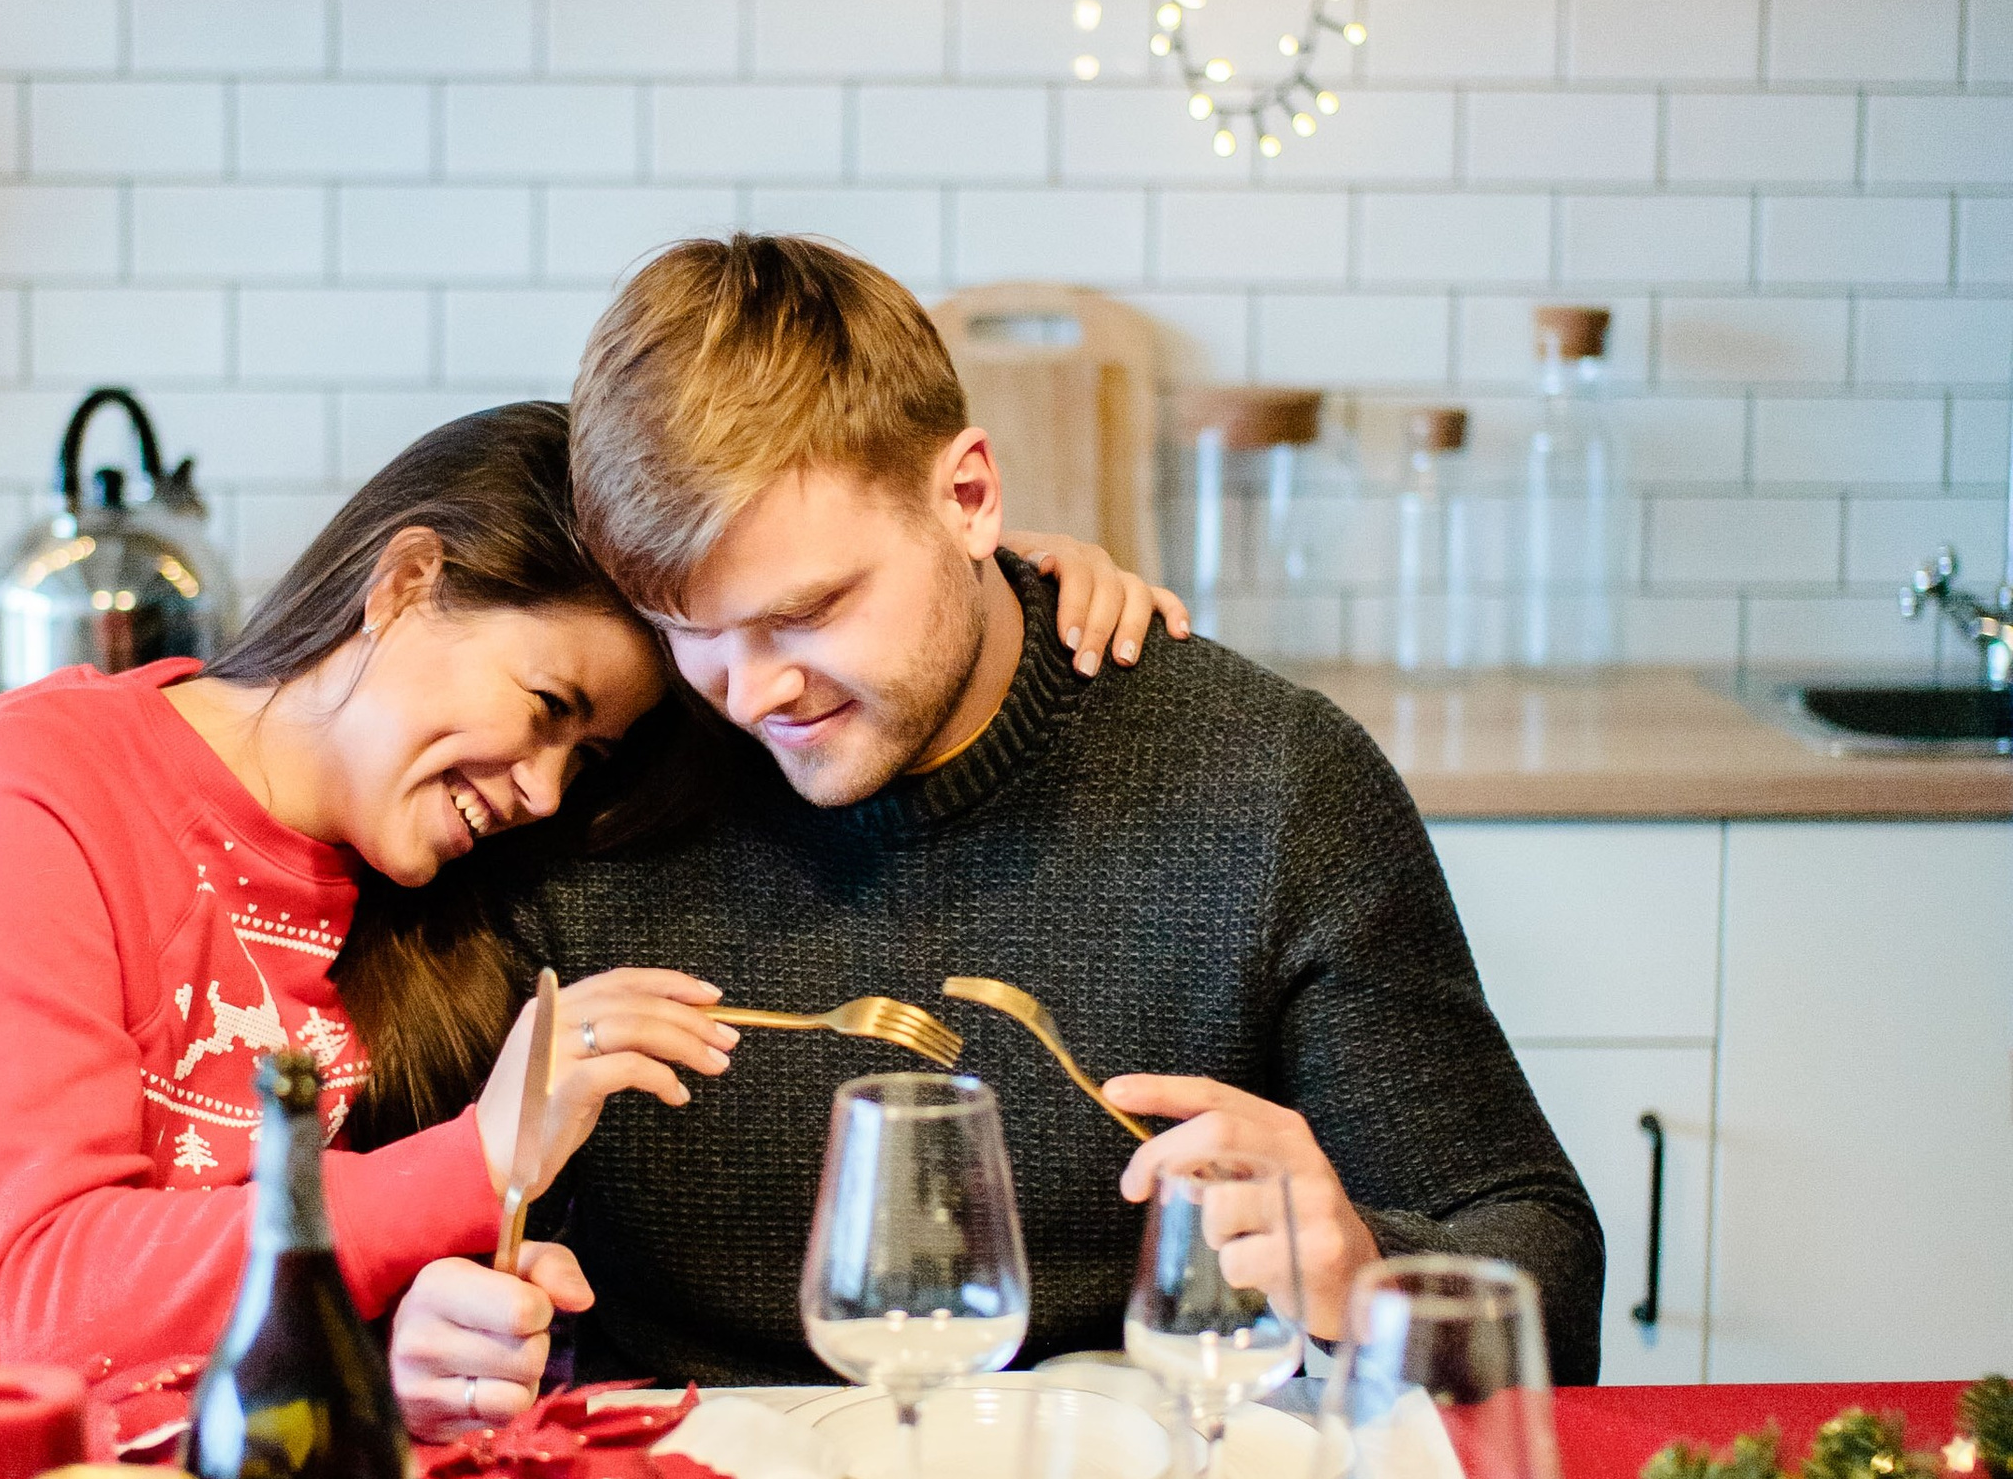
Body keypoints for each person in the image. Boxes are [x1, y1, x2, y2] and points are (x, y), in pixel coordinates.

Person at [0, 399, 1167, 1444]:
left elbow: (780, 622)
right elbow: (46, 1297)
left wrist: (990, 583)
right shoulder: (24, 795)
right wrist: (475, 1162)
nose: (543, 790)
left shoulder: (412, 884)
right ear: (408, 580)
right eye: (545, 710)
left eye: (585, 757)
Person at [480, 233, 1603, 1395]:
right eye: (689, 628)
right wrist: (440, 1314)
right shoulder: (578, 791)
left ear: (967, 498)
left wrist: (1363, 1270)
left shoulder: (1267, 785)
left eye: (806, 611)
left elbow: (1546, 1274)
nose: (751, 693)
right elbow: (429, 1239)